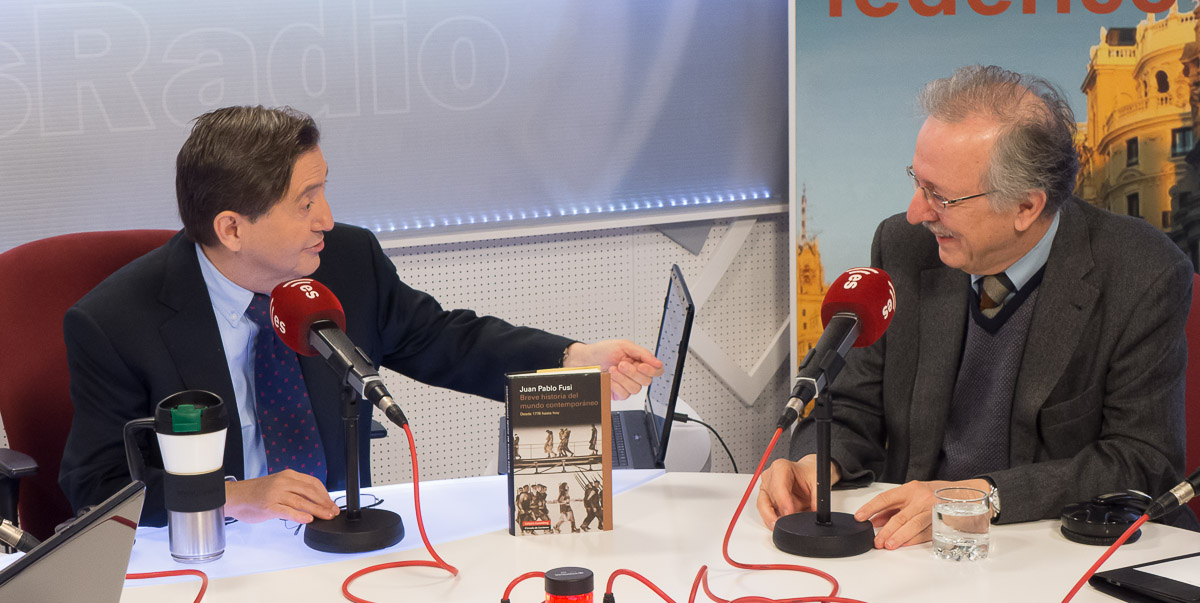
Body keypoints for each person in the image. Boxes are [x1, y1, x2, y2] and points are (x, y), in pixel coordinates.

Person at [59, 105, 664, 528]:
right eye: (305, 203)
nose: (326, 218)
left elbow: (443, 338)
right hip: (212, 556)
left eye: (323, 190)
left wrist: (571, 358)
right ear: (232, 229)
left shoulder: (346, 261)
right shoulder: (115, 324)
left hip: (338, 543)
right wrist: (235, 496)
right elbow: (96, 489)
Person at [757, 65, 1195, 549]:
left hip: (1050, 547)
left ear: (1026, 207)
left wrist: (978, 498)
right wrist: (818, 462)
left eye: (941, 197)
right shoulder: (905, 246)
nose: (916, 212)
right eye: (917, 181)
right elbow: (852, 405)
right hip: (908, 547)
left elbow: (1142, 460)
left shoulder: (1142, 272)